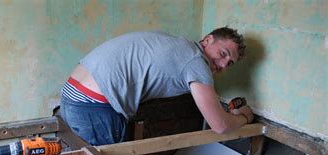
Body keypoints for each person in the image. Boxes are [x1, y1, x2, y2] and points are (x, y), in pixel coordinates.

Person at [59, 27, 254, 146]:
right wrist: (244, 116)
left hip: (71, 96)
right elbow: (220, 126)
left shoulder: (178, 45)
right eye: (223, 54)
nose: (222, 65)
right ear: (208, 39)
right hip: (93, 107)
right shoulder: (196, 62)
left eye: (229, 63)